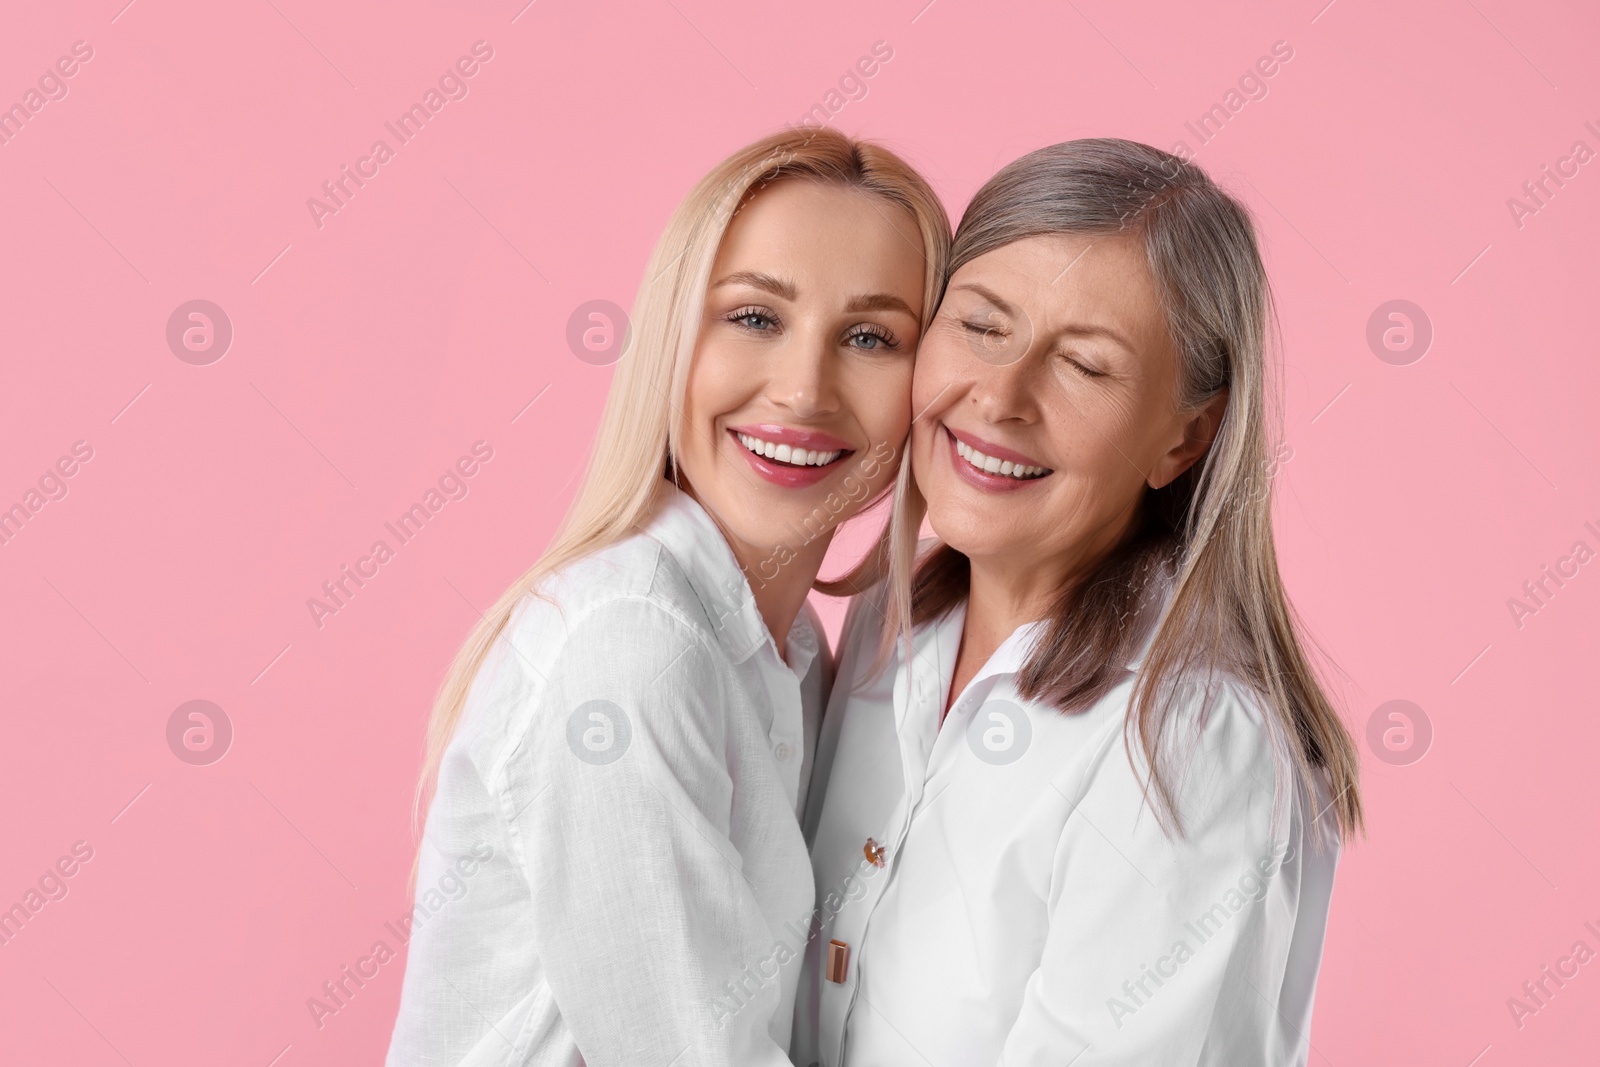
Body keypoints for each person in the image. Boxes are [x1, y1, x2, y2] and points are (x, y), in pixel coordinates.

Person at [384, 127, 950, 1067]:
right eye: (755, 318)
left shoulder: (798, 649)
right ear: (674, 338)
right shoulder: (634, 644)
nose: (804, 389)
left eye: (869, 337)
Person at [794, 138, 1363, 1067]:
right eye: (981, 327)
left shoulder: (1185, 734)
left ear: (1184, 439)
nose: (1002, 398)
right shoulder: (891, 625)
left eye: (1086, 366)